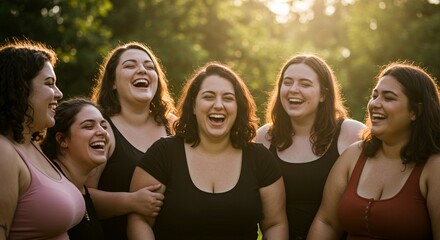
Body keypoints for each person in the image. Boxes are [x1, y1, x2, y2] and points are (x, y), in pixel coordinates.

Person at [127, 62, 288, 239]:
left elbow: (275, 224)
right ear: (194, 106)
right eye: (209, 97)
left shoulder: (260, 159)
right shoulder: (163, 154)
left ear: (238, 108)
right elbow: (140, 220)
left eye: (228, 98)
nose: (218, 105)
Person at [308, 62, 440, 239]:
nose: (375, 104)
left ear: (415, 111)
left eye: (389, 98)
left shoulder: (434, 166)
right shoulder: (353, 155)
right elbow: (327, 222)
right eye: (374, 96)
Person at [255, 54, 365, 239]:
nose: (293, 90)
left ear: (323, 94)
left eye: (305, 84)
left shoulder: (351, 134)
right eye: (287, 82)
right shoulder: (263, 138)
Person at [87, 41, 176, 239]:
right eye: (130, 65)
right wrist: (131, 201)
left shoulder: (173, 125)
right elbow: (81, 196)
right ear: (112, 83)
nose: (142, 70)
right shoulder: (101, 129)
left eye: (149, 66)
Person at [0, 40, 85, 239]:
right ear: (19, 89)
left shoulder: (32, 146)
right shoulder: (3, 152)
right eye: (49, 84)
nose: (59, 93)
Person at [41, 98, 110, 239]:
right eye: (89, 126)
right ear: (62, 140)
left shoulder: (80, 187)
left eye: (104, 126)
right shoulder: (51, 188)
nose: (102, 132)